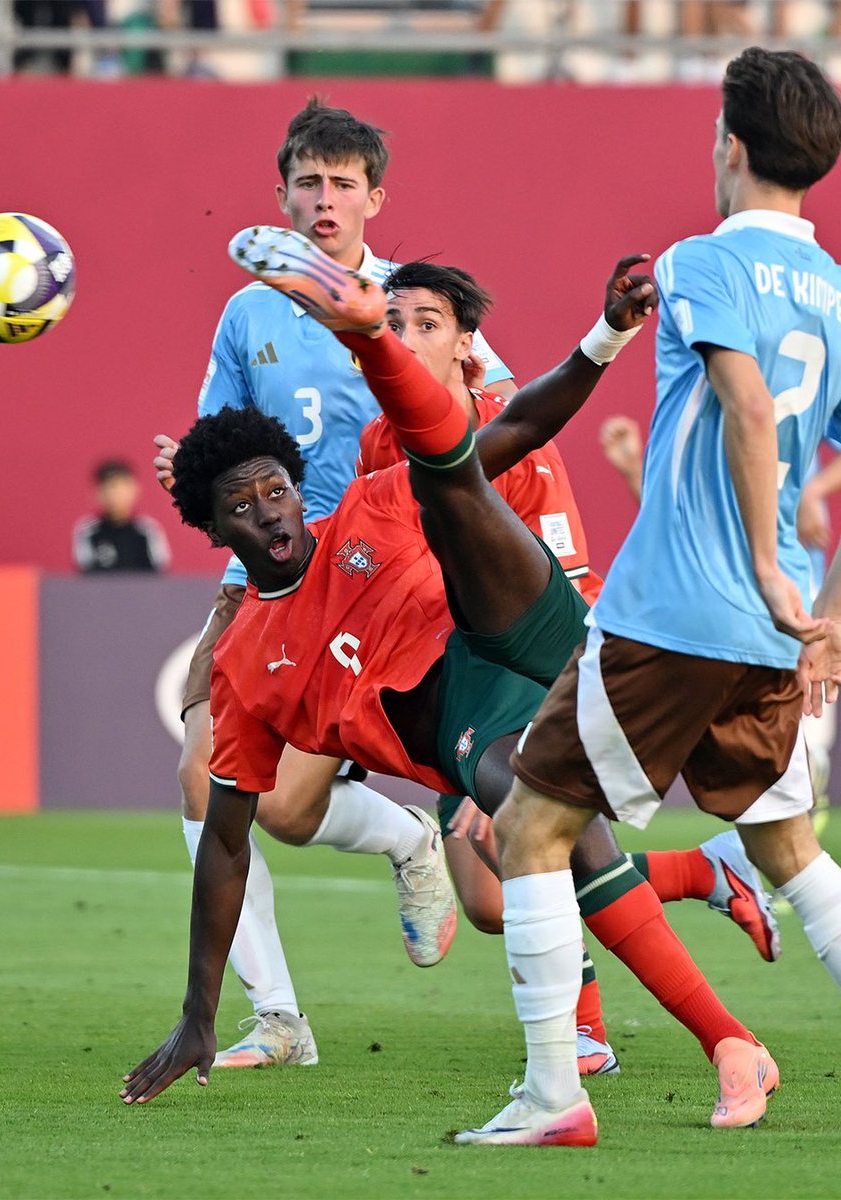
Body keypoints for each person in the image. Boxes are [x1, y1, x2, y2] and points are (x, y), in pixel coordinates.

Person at [121, 226, 783, 1125]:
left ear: (297, 486)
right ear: (214, 532)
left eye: (275, 490)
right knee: (539, 852)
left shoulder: (368, 506)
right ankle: (729, 1044)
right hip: (464, 722)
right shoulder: (246, 667)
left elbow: (518, 429)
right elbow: (228, 844)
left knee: (448, 480)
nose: (268, 513)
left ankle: (562, 1087)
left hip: (522, 629)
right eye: (240, 507)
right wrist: (197, 1013)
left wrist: (606, 337)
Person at [464, 46, 841, 1149]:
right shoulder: (835, 292)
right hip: (772, 633)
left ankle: (553, 1097)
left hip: (675, 615)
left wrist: (763, 562)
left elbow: (749, 407)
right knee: (791, 852)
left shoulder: (701, 263)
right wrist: (817, 605)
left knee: (530, 827)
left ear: (730, 145)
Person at [154, 97, 517, 1071]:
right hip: (263, 580)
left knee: (286, 811)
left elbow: (498, 403)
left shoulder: (408, 304)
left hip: (380, 576)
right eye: (307, 182)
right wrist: (189, 464)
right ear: (281, 196)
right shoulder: (248, 313)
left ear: (374, 199)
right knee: (203, 777)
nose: (323, 199)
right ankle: (277, 1017)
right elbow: (220, 439)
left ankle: (409, 840)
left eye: (342, 184)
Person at [601, 412, 840, 836]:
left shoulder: (795, 400)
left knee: (804, 745)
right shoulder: (706, 427)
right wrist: (635, 471)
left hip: (798, 608)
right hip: (735, 616)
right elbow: (676, 528)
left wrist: (812, 491)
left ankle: (798, 810)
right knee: (767, 765)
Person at [72, 459, 170, 574]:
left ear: (134, 489)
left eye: (122, 486)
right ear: (97, 492)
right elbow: (84, 573)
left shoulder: (148, 530)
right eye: (110, 487)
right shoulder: (87, 532)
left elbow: (161, 572)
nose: (116, 493)